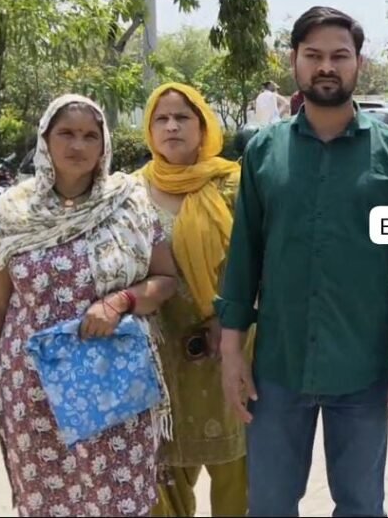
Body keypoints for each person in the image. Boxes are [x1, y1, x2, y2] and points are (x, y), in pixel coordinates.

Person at [214, 6, 388, 516]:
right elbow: (243, 256)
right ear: (293, 60)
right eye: (313, 55)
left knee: (361, 505)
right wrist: (231, 353)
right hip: (277, 367)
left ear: (359, 63)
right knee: (269, 505)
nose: (326, 67)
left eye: (340, 56)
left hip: (363, 367)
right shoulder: (264, 152)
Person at [0, 94, 178, 516]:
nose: (78, 145)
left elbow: (166, 280)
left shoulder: (129, 203)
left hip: (114, 385)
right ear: (45, 139)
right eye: (66, 133)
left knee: (119, 501)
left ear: (104, 144)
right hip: (33, 388)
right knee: (46, 500)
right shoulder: (13, 212)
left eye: (91, 135)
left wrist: (120, 301)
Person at [136, 82, 250, 517]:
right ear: (149, 130)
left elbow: (260, 261)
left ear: (203, 127)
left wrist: (232, 318)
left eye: (182, 117)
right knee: (162, 477)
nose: (172, 126)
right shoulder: (128, 193)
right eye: (161, 118)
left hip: (227, 349)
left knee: (236, 476)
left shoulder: (234, 185)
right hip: (157, 354)